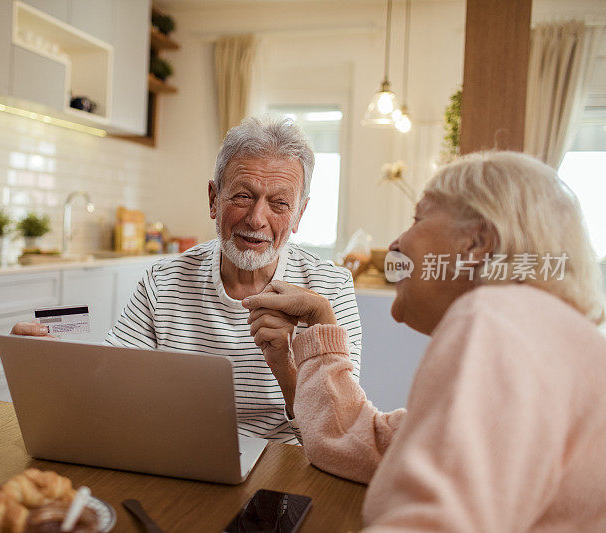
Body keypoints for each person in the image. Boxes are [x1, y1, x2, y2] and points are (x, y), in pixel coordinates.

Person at [243, 151, 606, 529]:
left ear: (477, 242)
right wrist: (320, 325)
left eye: (419, 218)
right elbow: (361, 442)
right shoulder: (534, 331)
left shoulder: (496, 317)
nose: (397, 242)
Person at [13, 115, 362, 444]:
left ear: (299, 213)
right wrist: (45, 368)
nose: (257, 219)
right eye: (243, 196)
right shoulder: (162, 282)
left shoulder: (329, 291)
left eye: (279, 203)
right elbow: (108, 394)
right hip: (175, 460)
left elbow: (338, 437)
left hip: (280, 473)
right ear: (214, 199)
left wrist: (284, 366)